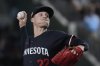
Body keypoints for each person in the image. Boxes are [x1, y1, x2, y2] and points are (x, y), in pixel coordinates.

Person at [17, 6, 88, 66]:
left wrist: (81, 47)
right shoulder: (29, 40)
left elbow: (82, 43)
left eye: (47, 16)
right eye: (41, 14)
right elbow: (24, 44)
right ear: (32, 19)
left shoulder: (56, 35)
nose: (45, 16)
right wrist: (22, 25)